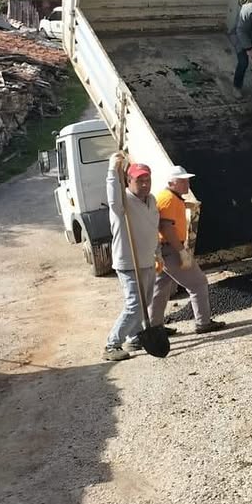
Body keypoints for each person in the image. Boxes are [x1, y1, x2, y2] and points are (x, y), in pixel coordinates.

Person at [150, 166, 226, 336]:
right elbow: (166, 227)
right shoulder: (168, 199)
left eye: (187, 180)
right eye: (182, 181)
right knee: (198, 283)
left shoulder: (170, 197)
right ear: (171, 182)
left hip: (162, 251)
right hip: (170, 250)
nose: (187, 184)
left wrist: (184, 204)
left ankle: (154, 328)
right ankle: (203, 323)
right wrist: (181, 251)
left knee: (159, 290)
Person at [102, 155, 160, 361]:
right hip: (129, 262)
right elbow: (112, 196)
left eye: (147, 180)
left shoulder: (151, 200)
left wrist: (158, 254)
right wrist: (112, 169)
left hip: (147, 260)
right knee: (135, 305)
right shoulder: (122, 204)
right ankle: (112, 344)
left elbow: (153, 229)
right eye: (139, 180)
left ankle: (134, 337)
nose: (144, 184)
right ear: (128, 181)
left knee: (145, 302)